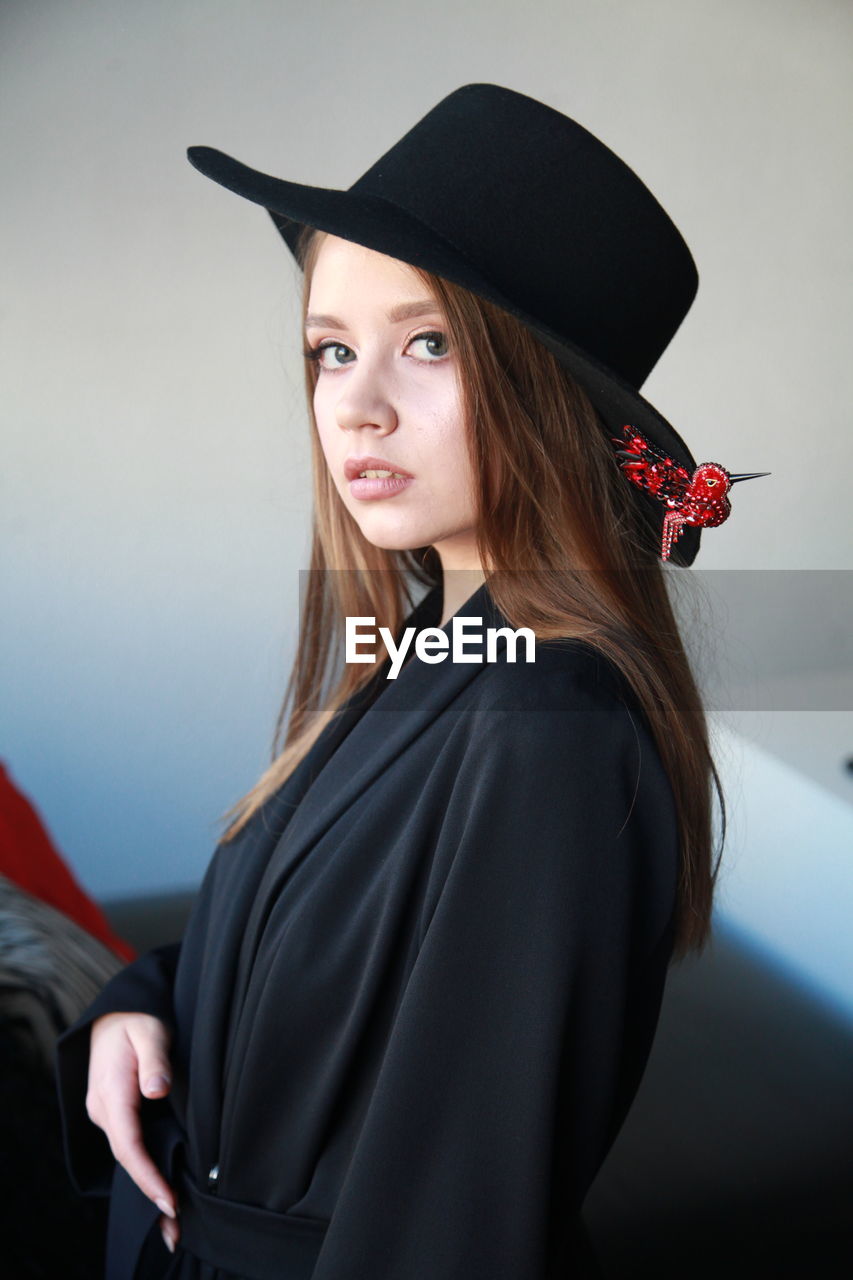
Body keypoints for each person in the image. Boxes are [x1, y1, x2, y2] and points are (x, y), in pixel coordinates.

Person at [56, 83, 765, 1279]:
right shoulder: (442, 641)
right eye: (330, 350)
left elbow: (447, 1225)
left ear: (546, 391)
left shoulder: (549, 721)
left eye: (427, 342)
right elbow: (307, 943)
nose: (356, 405)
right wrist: (145, 999)